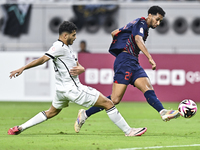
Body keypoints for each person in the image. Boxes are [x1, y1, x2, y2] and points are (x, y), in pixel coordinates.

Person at [7, 21, 147, 137]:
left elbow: (76, 67)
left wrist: (82, 69)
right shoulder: (58, 46)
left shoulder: (67, 48)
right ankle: (128, 131)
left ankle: (19, 128)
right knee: (108, 103)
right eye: (73, 35)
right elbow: (43, 59)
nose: (75, 38)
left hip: (61, 90)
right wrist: (22, 68)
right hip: (73, 89)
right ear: (65, 35)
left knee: (51, 112)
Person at [74, 6, 180, 133]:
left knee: (147, 87)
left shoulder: (135, 23)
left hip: (132, 61)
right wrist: (149, 58)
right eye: (157, 19)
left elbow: (114, 32)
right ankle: (85, 114)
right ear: (150, 15)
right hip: (125, 61)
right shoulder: (141, 23)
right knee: (114, 99)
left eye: (160, 21)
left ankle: (163, 112)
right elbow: (138, 39)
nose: (158, 23)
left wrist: (121, 46)